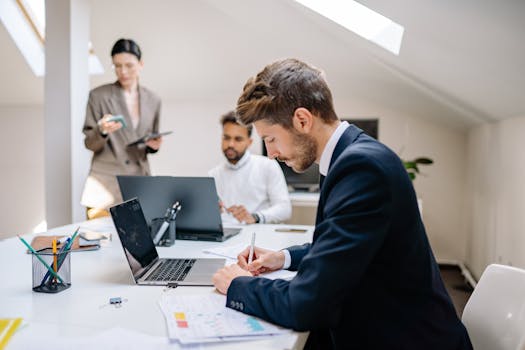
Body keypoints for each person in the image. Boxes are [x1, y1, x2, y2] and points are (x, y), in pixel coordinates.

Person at [212, 59, 472, 349]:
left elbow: (306, 305)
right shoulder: (350, 155)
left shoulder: (362, 168)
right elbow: (341, 246)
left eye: (271, 139)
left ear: (302, 120)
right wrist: (282, 258)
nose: (271, 153)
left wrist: (238, 285)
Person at [81, 38, 163, 219]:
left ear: (140, 64)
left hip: (140, 184)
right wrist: (101, 130)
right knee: (100, 242)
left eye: (129, 65)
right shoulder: (98, 96)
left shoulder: (154, 99)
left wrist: (153, 146)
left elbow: (151, 139)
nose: (123, 71)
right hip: (105, 185)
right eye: (117, 66)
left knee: (140, 243)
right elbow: (89, 143)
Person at [209, 111, 291, 224]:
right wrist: (212, 211)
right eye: (226, 138)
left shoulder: (267, 166)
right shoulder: (214, 174)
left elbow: (285, 209)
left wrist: (256, 217)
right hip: (224, 235)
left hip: (257, 234)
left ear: (249, 142)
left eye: (238, 139)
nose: (230, 144)